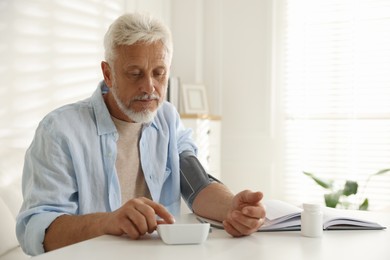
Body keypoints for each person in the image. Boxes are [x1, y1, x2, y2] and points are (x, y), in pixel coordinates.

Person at [16, 12, 266, 256]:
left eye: (159, 73)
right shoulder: (59, 131)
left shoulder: (167, 118)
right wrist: (108, 222)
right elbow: (38, 231)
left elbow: (197, 184)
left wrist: (232, 208)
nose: (149, 87)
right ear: (108, 74)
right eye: (135, 74)